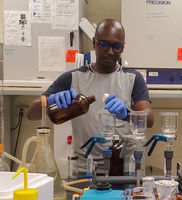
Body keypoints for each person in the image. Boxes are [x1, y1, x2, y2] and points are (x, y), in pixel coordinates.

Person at [26, 19, 154, 175]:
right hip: (85, 169)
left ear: (122, 48)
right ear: (94, 43)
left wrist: (128, 115)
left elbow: (149, 119)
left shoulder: (133, 78)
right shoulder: (73, 78)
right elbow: (31, 114)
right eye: (104, 45)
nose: (110, 51)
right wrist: (50, 101)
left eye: (117, 46)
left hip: (124, 169)